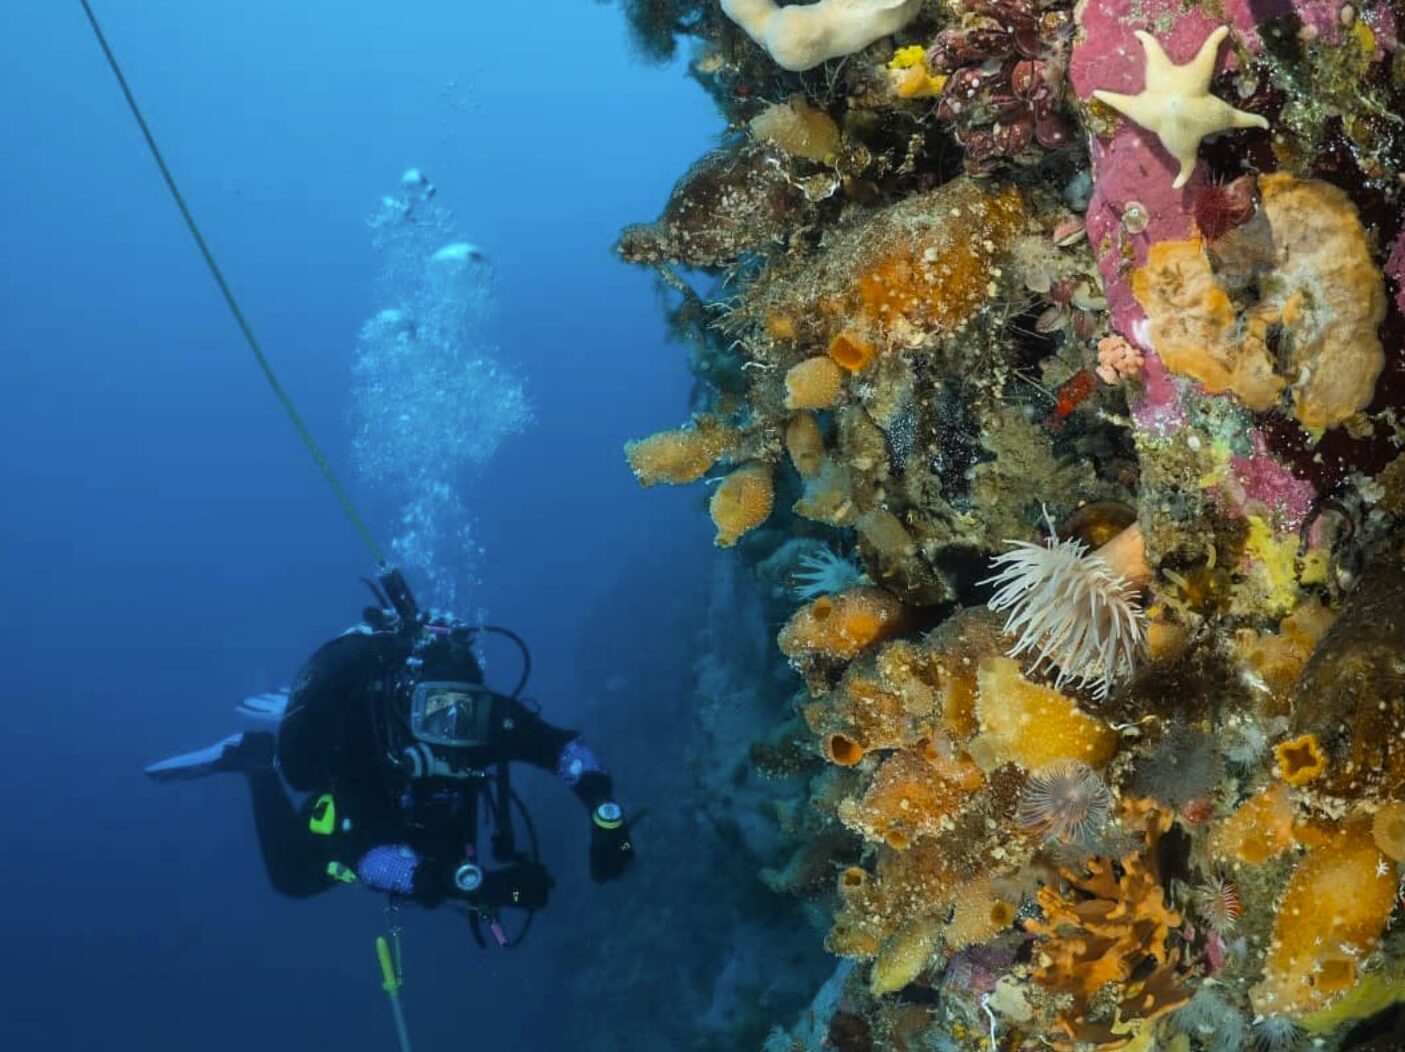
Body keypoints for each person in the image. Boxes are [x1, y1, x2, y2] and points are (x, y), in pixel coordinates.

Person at [146, 573, 634, 941]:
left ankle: (443, 868)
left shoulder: (487, 721)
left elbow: (564, 749)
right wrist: (479, 887)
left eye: (464, 711)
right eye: (434, 712)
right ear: (406, 702)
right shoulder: (367, 732)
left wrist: (604, 815)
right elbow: (367, 857)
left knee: (437, 856)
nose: (452, 727)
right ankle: (254, 759)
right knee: (295, 878)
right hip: (366, 807)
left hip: (424, 823)